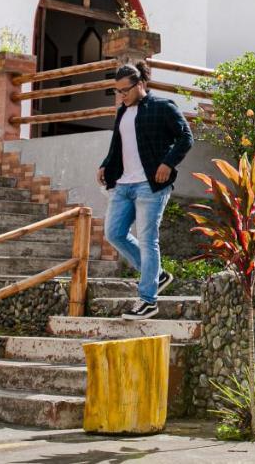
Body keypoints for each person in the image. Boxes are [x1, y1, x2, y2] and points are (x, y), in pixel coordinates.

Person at [98, 61, 193, 320]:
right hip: (123, 184)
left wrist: (168, 163)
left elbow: (186, 137)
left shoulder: (163, 107)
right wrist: (106, 164)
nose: (122, 95)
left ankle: (148, 300)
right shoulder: (122, 112)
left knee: (148, 238)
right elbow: (118, 145)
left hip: (150, 186)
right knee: (114, 233)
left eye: (125, 90)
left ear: (141, 84)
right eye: (117, 91)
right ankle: (157, 275)